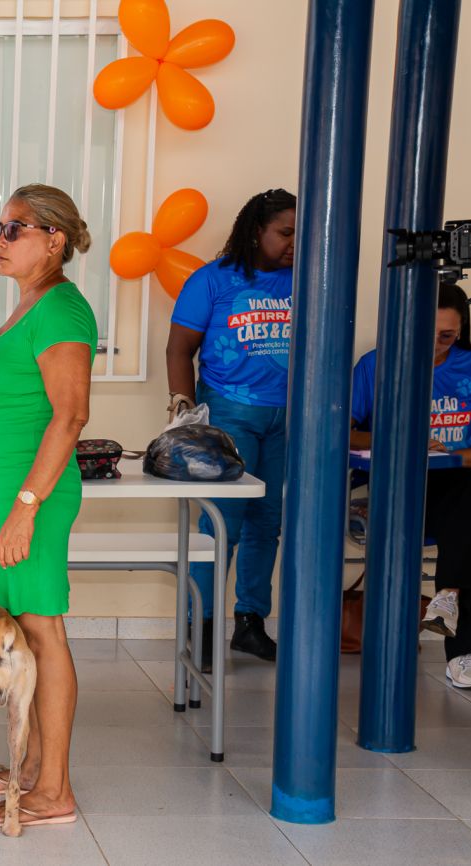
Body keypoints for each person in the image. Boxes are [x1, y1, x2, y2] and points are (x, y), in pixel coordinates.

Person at [0, 184, 96, 829]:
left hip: (31, 497)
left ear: (54, 239)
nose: (1, 240)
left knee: (42, 631)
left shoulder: (62, 309)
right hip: (5, 494)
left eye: (16, 229)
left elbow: (70, 415)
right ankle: (32, 768)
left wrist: (27, 505)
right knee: (23, 634)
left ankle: (55, 789)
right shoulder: (32, 302)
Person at [166, 188, 296, 671]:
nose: (294, 244)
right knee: (222, 524)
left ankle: (250, 623)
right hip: (230, 414)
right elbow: (179, 349)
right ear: (256, 231)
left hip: (287, 417)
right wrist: (183, 407)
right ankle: (199, 628)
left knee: (268, 522)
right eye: (285, 233)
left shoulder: (305, 279)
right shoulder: (213, 279)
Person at [350, 282, 471, 689]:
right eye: (427, 334)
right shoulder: (376, 365)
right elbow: (342, 431)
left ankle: (450, 601)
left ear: (460, 332)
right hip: (398, 483)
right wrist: (401, 437)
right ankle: (461, 635)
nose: (435, 346)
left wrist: (455, 455)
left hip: (460, 482)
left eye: (446, 336)